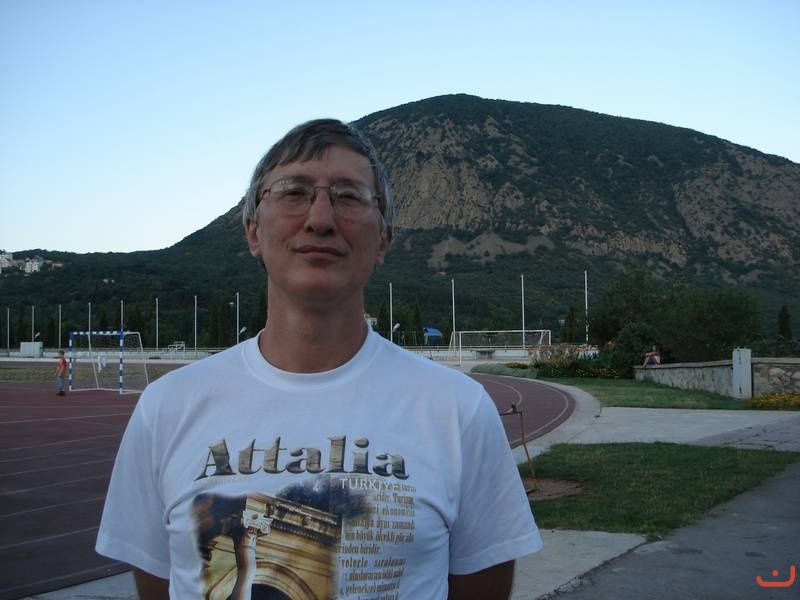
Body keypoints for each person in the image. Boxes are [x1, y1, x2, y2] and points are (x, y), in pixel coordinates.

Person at [96, 119, 542, 599]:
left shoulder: (458, 410)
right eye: (293, 192)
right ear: (253, 232)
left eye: (349, 196)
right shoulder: (166, 408)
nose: (321, 219)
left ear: (383, 240)